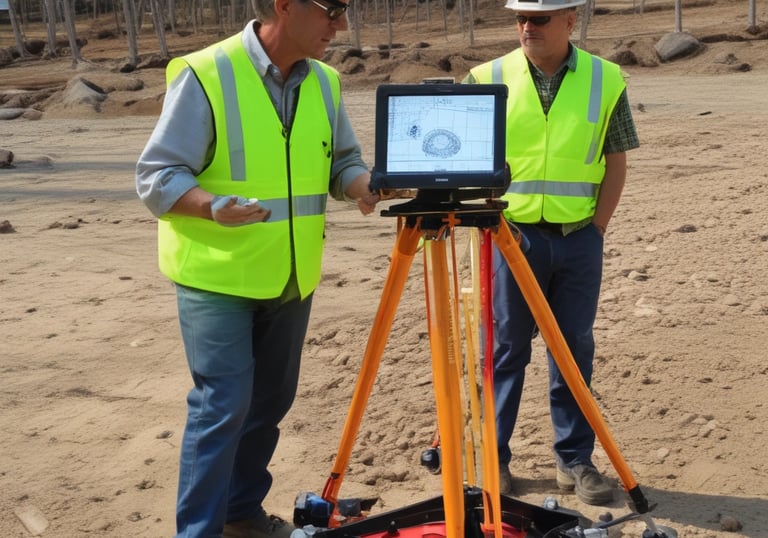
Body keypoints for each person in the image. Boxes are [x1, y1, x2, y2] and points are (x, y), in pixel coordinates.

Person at [135, 0, 379, 535]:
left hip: (291, 275)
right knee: (223, 406)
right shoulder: (206, 73)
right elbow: (158, 175)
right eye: (331, 10)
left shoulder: (327, 83)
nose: (340, 25)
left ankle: (241, 515)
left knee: (268, 402)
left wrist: (364, 185)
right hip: (216, 276)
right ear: (284, 6)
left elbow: (342, 162)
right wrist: (211, 206)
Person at [464, 0, 639, 506]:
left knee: (573, 350)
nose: (526, 26)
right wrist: (490, 224)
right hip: (509, 236)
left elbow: (615, 160)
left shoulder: (606, 81)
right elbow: (465, 160)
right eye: (519, 17)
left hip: (579, 237)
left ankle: (575, 460)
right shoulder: (487, 77)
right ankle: (494, 457)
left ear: (569, 20)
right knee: (504, 349)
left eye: (538, 18)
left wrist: (596, 230)